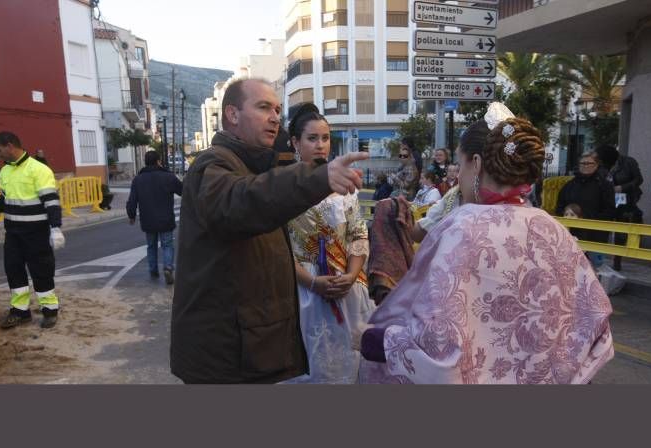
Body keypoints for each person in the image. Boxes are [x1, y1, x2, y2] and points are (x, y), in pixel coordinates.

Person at [357, 112, 614, 384]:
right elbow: (594, 321)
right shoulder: (552, 228)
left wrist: (374, 340)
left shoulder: (462, 228)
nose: (458, 179)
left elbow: (436, 344)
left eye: (460, 164)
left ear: (476, 163)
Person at [170, 78, 368, 384]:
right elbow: (242, 201)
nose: (275, 117)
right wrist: (316, 177)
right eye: (264, 108)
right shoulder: (213, 165)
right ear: (232, 115)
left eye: (277, 109)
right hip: (227, 356)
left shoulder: (255, 166)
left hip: (251, 345)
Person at [283, 103, 376, 383]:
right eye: (312, 138)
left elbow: (358, 235)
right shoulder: (282, 188)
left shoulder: (344, 187)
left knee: (350, 366)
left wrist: (349, 275)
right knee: (311, 369)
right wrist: (312, 283)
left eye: (325, 138)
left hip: (347, 290)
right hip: (303, 293)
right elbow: (278, 251)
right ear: (295, 143)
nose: (321, 145)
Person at [0, 132, 65, 329]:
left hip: (36, 232)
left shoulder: (39, 170)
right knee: (13, 270)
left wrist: (55, 228)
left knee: (41, 271)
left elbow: (51, 202)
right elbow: (5, 197)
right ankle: (20, 312)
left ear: (10, 146)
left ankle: (50, 311)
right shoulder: (5, 171)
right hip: (13, 233)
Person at [126, 150, 183, 285]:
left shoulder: (138, 179)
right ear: (158, 161)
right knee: (167, 245)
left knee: (151, 245)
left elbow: (132, 200)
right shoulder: (168, 177)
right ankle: (168, 267)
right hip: (166, 219)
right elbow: (183, 190)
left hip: (148, 219)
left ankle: (153, 270)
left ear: (145, 162)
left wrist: (131, 215)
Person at [555, 152, 616, 268]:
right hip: (572, 236)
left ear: (597, 164)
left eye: (589, 163)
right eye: (582, 163)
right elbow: (559, 208)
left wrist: (586, 219)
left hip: (596, 237)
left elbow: (609, 211)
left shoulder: (605, 186)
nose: (585, 165)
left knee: (593, 270)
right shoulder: (569, 186)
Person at [595, 144, 644, 271]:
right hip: (608, 200)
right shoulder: (601, 166)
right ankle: (600, 258)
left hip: (625, 200)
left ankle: (618, 259)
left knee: (621, 229)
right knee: (604, 227)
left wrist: (622, 187)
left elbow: (638, 179)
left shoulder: (628, 162)